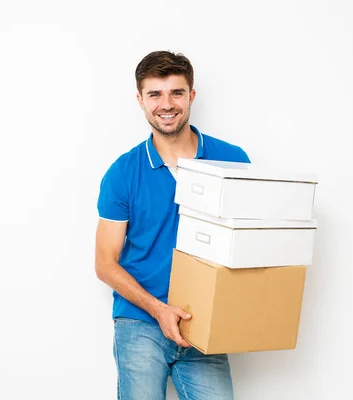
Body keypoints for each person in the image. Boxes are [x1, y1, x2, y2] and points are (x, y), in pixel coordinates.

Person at [95, 50, 251, 400]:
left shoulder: (233, 161)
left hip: (203, 321)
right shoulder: (122, 173)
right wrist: (159, 309)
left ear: (191, 95)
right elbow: (105, 263)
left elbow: (246, 241)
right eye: (155, 94)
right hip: (141, 323)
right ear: (140, 100)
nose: (167, 104)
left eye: (176, 93)